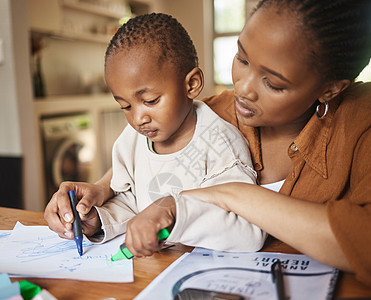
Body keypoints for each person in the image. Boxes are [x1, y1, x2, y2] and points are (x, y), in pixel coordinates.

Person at [44, 0, 371, 296]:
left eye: (273, 82)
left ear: (330, 88)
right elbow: (146, 163)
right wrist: (100, 190)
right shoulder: (216, 110)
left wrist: (229, 195)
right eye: (242, 58)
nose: (244, 88)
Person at [44, 13, 266, 254]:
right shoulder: (132, 140)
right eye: (125, 106)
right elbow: (135, 201)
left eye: (150, 100)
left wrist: (177, 215)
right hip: (154, 270)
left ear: (191, 84)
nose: (138, 119)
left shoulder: (220, 145)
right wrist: (98, 220)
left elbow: (249, 233)